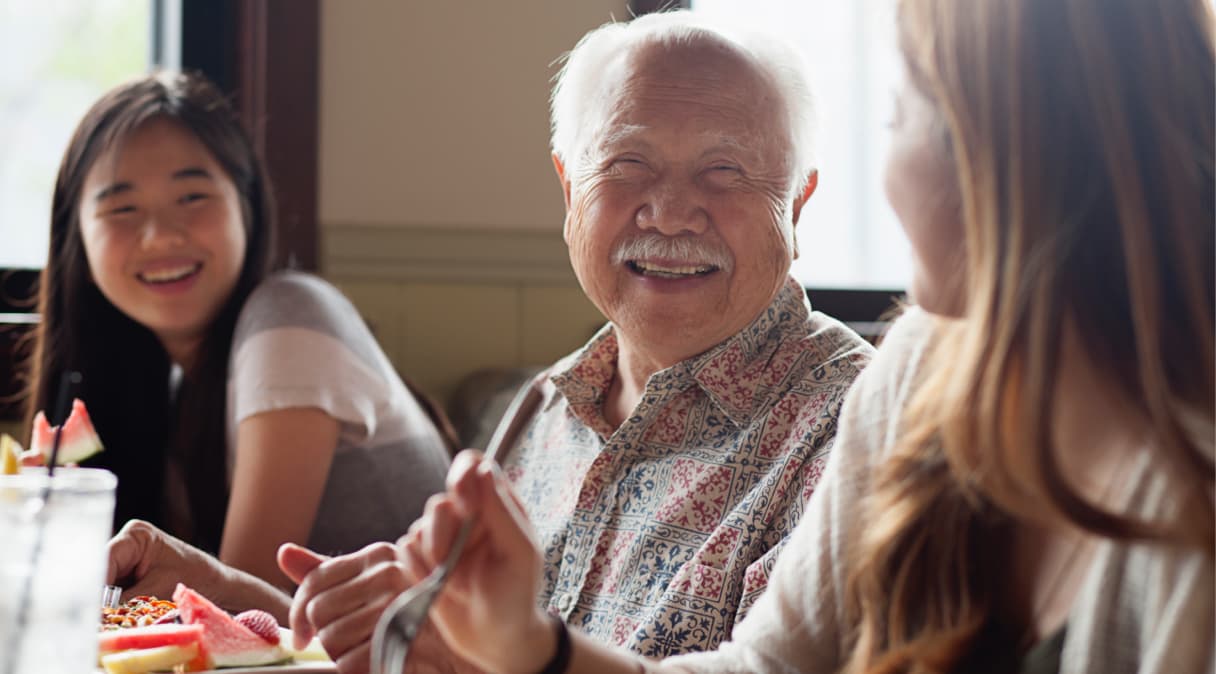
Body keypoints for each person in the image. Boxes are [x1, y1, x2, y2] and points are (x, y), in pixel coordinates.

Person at [396, 0, 1216, 672]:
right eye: (629, 165)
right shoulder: (920, 374)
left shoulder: (1187, 496)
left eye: (901, 116)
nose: (672, 211)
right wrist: (520, 648)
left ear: (1017, 159)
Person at [107, 10, 874, 672]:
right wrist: (216, 588)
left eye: (725, 171)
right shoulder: (546, 405)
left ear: (798, 202)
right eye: (627, 163)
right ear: (570, 189)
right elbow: (418, 642)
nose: (671, 211)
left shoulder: (855, 424)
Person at [25, 71, 453, 591]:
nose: (160, 236)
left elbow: (236, 611)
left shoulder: (290, 315)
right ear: (79, 242)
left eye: (192, 197)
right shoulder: (171, 388)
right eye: (122, 209)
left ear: (246, 206)